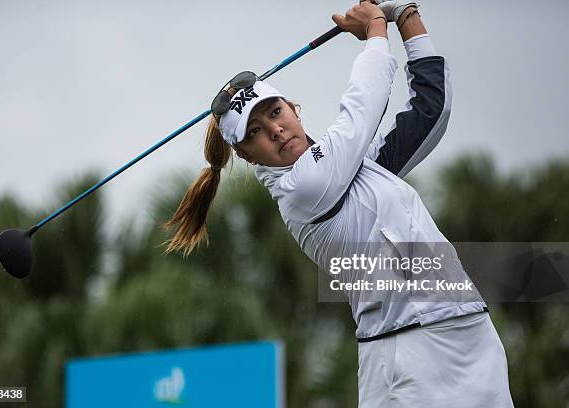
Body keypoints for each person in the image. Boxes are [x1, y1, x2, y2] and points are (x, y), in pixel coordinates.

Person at [164, 1, 515, 406]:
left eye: (276, 112)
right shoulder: (300, 189)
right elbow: (362, 106)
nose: (275, 130)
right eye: (256, 131)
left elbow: (430, 110)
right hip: (409, 354)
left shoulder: (356, 166)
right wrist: (376, 32)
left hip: (468, 334)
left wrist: (406, 15)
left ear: (293, 109)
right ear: (247, 156)